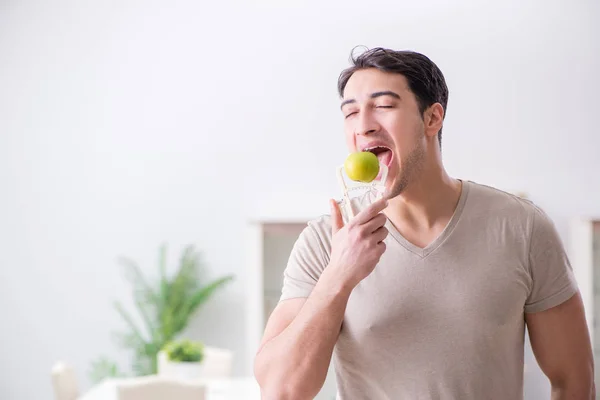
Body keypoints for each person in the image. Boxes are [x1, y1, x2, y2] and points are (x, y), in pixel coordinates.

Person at [253, 47, 595, 400]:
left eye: (383, 106)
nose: (364, 124)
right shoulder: (325, 242)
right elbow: (282, 390)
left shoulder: (521, 226)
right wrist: (338, 275)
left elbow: (574, 380)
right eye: (351, 112)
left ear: (432, 119)